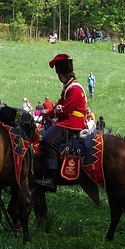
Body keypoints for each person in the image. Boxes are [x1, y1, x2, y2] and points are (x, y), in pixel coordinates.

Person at [35, 54, 87, 192]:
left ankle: (51, 178)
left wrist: (50, 113)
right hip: (68, 120)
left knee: (49, 141)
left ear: (61, 74)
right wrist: (53, 110)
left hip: (72, 123)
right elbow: (60, 104)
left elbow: (65, 110)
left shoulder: (74, 89)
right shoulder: (68, 87)